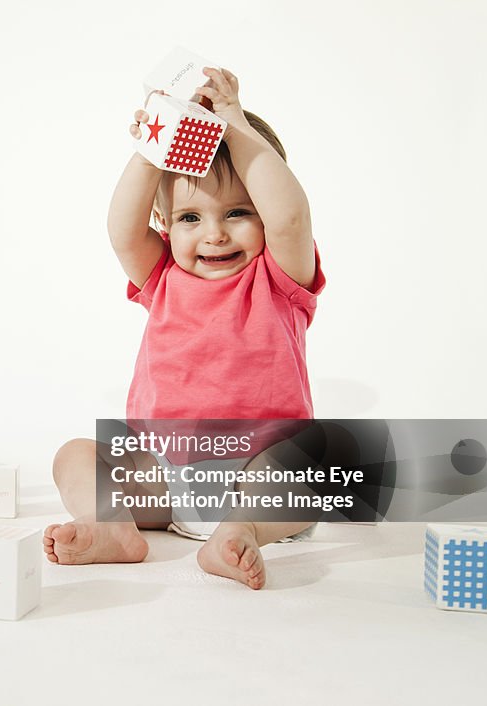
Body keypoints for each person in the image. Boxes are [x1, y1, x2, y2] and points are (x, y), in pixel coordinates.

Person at [43, 67, 325, 589]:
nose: (215, 234)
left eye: (239, 212)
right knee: (74, 455)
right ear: (165, 225)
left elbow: (290, 218)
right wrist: (155, 145)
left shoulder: (280, 277)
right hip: (165, 479)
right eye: (190, 218)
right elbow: (122, 230)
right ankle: (112, 528)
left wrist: (234, 124)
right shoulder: (163, 276)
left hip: (259, 476)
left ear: (264, 216)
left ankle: (239, 532)